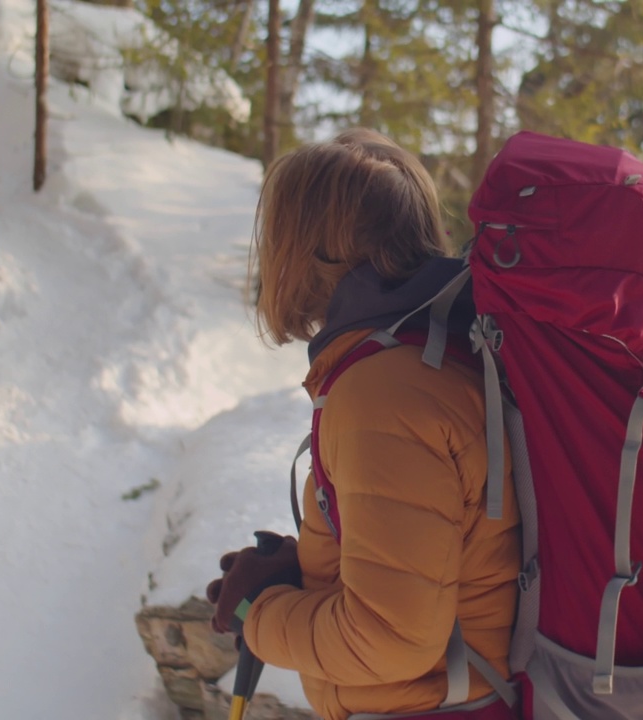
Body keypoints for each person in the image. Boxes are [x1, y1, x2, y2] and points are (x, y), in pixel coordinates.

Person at [205, 129, 521, 720]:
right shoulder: (439, 353)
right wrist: (310, 574)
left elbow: (390, 639)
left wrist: (259, 612)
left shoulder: (384, 396)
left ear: (307, 250)